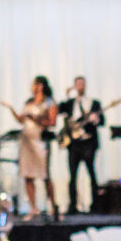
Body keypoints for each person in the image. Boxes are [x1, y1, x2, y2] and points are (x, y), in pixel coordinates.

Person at [11, 75, 58, 215]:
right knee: (28, 175)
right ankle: (33, 207)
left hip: (40, 141)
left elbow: (52, 122)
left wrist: (36, 119)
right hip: (26, 142)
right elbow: (22, 119)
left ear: (41, 86)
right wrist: (12, 110)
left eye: (34, 84)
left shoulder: (49, 102)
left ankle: (53, 206)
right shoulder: (29, 102)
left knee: (45, 175)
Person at [61, 76, 105, 211]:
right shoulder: (70, 103)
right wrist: (67, 94)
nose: (80, 86)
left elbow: (102, 121)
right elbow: (60, 110)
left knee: (91, 173)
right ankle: (72, 205)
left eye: (82, 84)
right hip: (74, 143)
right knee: (73, 175)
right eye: (78, 84)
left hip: (88, 142)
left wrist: (95, 119)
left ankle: (96, 204)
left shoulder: (93, 103)